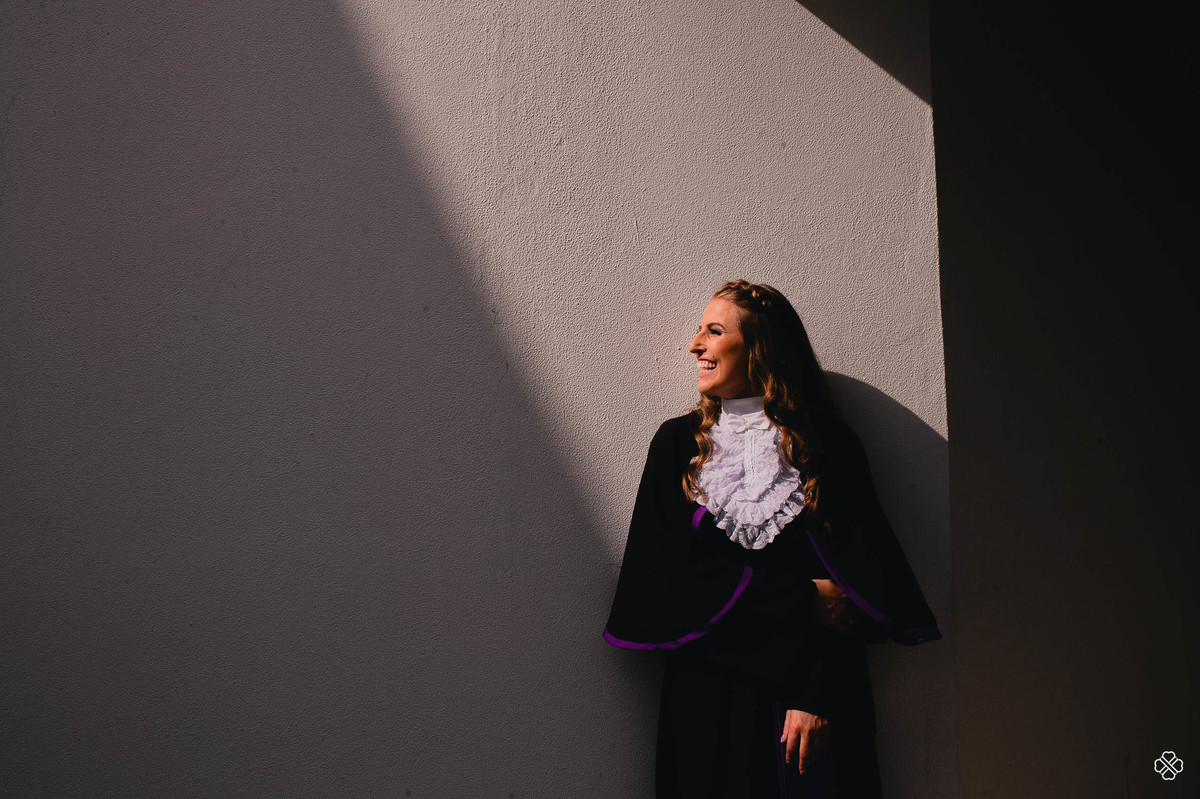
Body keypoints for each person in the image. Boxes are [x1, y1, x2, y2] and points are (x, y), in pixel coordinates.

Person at [604, 280, 941, 798]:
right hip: (706, 700)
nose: (695, 345)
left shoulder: (826, 447)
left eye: (713, 332)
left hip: (804, 704)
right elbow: (664, 580)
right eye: (699, 332)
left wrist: (818, 698)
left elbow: (854, 592)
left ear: (758, 347)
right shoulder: (676, 446)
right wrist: (803, 595)